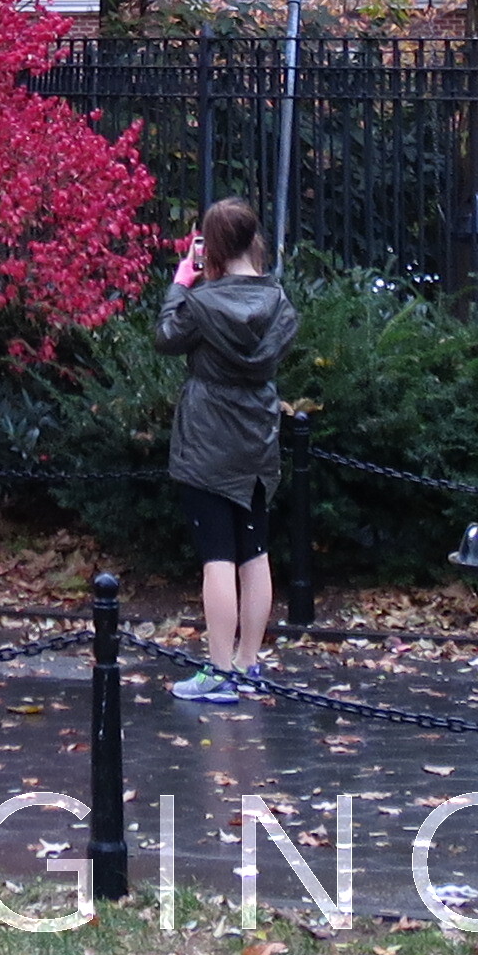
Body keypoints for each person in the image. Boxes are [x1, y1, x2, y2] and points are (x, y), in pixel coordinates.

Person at [156, 196, 295, 706]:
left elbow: (165, 337)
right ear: (253, 239)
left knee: (217, 555)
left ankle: (218, 673)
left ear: (209, 245)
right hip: (257, 437)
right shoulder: (278, 303)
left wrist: (181, 283)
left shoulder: (201, 304)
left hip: (207, 440)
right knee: (254, 553)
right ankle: (247, 664)